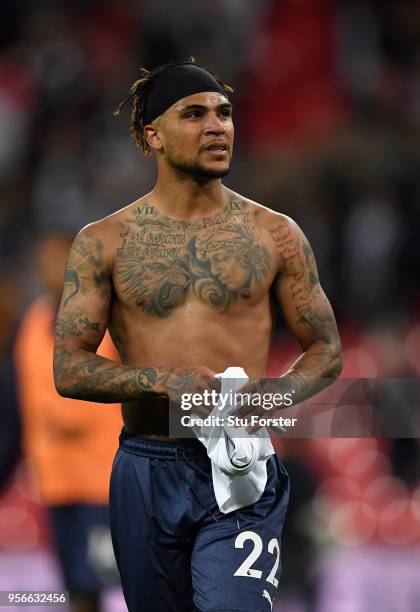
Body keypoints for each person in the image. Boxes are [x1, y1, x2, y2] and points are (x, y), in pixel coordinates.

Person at [53, 59, 343, 612]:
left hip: (238, 465)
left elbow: (325, 348)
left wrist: (272, 396)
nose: (218, 127)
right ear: (152, 136)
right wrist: (164, 383)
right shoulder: (104, 242)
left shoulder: (276, 235)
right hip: (145, 467)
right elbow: (68, 368)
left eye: (225, 114)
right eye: (195, 114)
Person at [14, 232, 122, 612]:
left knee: (103, 583)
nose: (49, 271)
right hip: (54, 481)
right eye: (43, 262)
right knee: (72, 584)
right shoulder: (31, 322)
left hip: (100, 479)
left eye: (58, 261)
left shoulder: (107, 321)